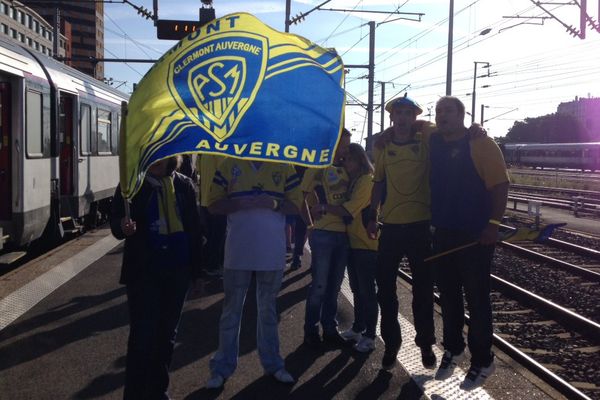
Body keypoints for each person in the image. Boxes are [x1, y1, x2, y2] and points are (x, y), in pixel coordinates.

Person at [429, 96, 509, 390]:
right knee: (448, 296)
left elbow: (501, 185)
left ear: (463, 115)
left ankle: (483, 360)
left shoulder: (481, 144)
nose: (442, 116)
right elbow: (409, 126)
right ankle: (453, 348)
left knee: (477, 299)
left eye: (448, 111)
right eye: (438, 111)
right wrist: (386, 134)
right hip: (445, 232)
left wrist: (494, 225)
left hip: (475, 236)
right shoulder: (434, 140)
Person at [110, 156, 205, 400]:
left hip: (177, 270)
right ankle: (134, 394)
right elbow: (116, 224)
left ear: (172, 157)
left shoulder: (184, 185)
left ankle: (158, 391)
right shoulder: (131, 185)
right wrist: (124, 226)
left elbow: (193, 230)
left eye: (162, 153)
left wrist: (197, 274)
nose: (157, 159)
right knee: (142, 337)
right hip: (144, 272)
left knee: (166, 337)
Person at [205, 158, 303, 389]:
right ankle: (221, 367)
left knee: (267, 311)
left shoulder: (284, 166)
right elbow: (212, 204)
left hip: (271, 252)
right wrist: (236, 204)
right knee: (231, 312)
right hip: (238, 253)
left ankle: (273, 364)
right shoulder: (229, 165)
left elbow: (296, 205)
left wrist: (274, 204)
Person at [366, 95, 437, 370]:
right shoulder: (383, 147)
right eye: (399, 113)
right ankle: (391, 343)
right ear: (392, 117)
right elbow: (378, 183)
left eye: (410, 113)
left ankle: (426, 343)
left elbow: (440, 129)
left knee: (423, 290)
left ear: (416, 118)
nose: (404, 118)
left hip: (420, 227)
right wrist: (371, 216)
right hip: (392, 227)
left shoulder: (425, 143)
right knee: (385, 290)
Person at [301, 128, 352, 349]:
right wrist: (309, 224)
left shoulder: (350, 169)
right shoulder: (317, 165)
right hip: (322, 234)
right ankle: (310, 331)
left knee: (334, 286)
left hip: (344, 234)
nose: (345, 148)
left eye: (348, 144)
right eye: (343, 144)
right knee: (320, 286)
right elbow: (300, 196)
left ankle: (329, 329)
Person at [337, 143, 379, 353]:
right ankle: (358, 327)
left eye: (348, 159)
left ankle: (370, 336)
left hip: (367, 244)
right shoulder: (354, 180)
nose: (345, 163)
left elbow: (349, 209)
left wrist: (325, 207)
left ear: (359, 160)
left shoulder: (366, 181)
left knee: (367, 291)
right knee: (357, 289)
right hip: (354, 242)